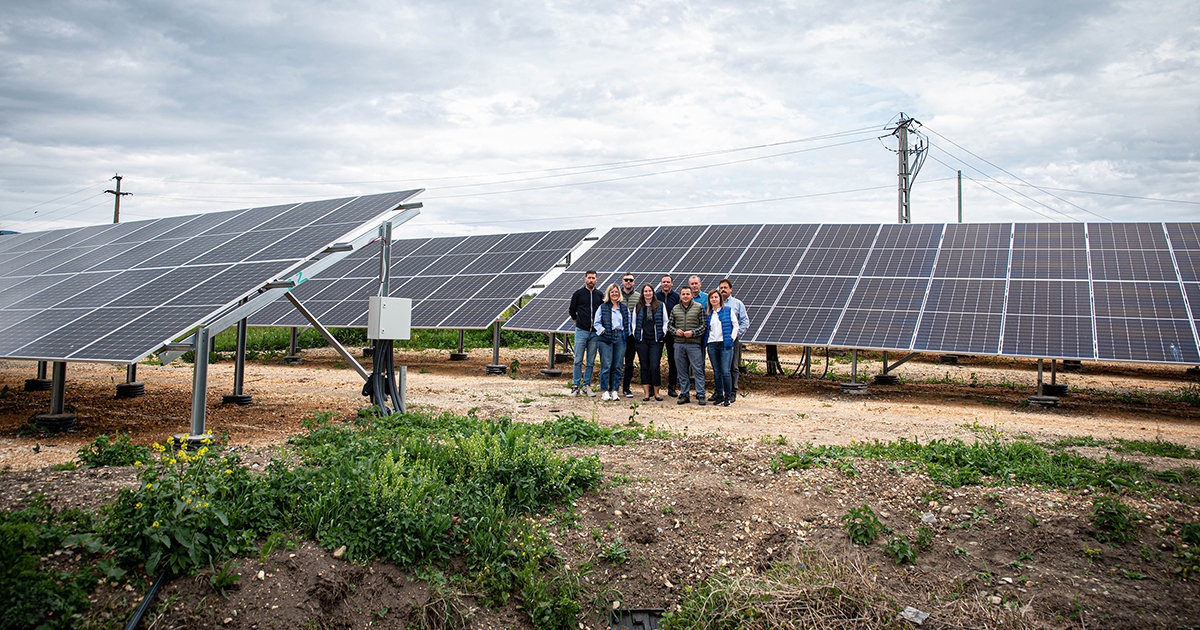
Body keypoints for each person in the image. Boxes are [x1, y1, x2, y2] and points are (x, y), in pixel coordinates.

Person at [668, 286, 706, 405]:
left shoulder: (699, 308)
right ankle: (685, 394)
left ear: (691, 295)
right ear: (680, 296)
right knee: (682, 371)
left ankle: (700, 394)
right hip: (679, 344)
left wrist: (693, 333)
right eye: (683, 294)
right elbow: (669, 325)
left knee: (698, 370)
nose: (685, 296)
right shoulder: (675, 309)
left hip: (693, 344)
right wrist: (675, 331)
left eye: (687, 294)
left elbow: (704, 325)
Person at [568, 270, 604, 397]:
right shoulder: (578, 294)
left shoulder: (600, 295)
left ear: (596, 280)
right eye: (589, 278)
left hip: (594, 333)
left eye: (593, 278)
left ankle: (587, 386)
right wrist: (578, 322)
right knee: (577, 360)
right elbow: (572, 310)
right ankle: (575, 385)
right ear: (585, 279)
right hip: (581, 331)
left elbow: (602, 312)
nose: (591, 280)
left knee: (590, 361)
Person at [593, 283, 631, 401]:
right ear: (608, 294)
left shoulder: (624, 308)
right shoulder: (603, 307)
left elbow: (628, 322)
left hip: (620, 337)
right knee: (606, 365)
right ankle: (605, 391)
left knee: (618, 365)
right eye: (612, 292)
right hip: (606, 338)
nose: (614, 294)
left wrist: (627, 333)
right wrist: (602, 330)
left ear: (619, 294)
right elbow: (596, 322)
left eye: (616, 292)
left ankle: (614, 390)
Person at [632, 283, 668, 401]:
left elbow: (665, 321)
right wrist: (635, 333)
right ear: (643, 293)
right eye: (645, 291)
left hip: (656, 341)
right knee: (644, 366)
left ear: (653, 292)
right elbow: (633, 322)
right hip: (642, 341)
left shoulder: (660, 305)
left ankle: (657, 393)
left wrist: (662, 332)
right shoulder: (638, 306)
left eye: (650, 291)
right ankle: (646, 393)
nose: (648, 293)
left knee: (654, 366)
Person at [706, 289, 740, 407]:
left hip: (725, 344)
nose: (714, 299)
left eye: (716, 297)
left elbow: (736, 325)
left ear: (720, 298)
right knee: (717, 372)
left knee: (725, 371)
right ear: (709, 300)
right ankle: (719, 395)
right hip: (712, 344)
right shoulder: (709, 314)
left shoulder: (728, 311)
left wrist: (731, 338)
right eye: (712, 298)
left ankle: (728, 396)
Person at [718, 278, 750, 403]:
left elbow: (745, 322)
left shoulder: (737, 304)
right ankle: (721, 392)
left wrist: (735, 334)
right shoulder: (715, 303)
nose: (723, 290)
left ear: (730, 289)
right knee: (721, 367)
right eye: (721, 288)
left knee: (733, 366)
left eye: (725, 287)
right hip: (718, 340)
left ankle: (732, 392)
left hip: (732, 340)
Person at [655, 275, 680, 397]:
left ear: (672, 284)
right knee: (655, 360)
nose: (666, 284)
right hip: (658, 332)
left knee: (673, 361)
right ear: (661, 284)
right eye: (664, 282)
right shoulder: (656, 297)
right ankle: (654, 387)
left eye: (668, 282)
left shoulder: (676, 297)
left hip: (672, 333)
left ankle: (672, 387)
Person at [619, 273, 640, 398]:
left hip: (632, 335)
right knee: (616, 361)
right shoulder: (616, 295)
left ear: (634, 282)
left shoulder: (639, 297)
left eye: (630, 280)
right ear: (622, 281)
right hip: (618, 334)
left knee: (629, 362)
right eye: (626, 280)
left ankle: (626, 387)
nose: (628, 282)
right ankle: (613, 386)